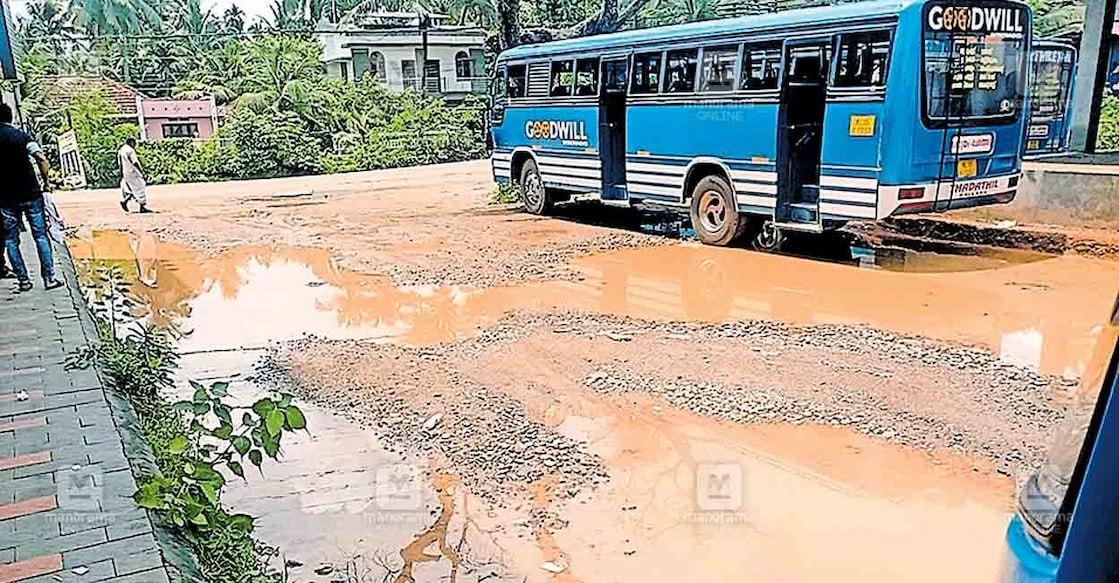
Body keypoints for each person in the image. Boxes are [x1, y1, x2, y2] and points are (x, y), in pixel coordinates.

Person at [0, 103, 62, 292]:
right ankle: (49, 278)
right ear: (10, 117)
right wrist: (47, 183)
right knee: (40, 236)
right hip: (30, 193)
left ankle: (24, 281)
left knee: (11, 240)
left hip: (4, 198)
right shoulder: (21, 136)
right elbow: (41, 159)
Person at [118, 137, 151, 213]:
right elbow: (135, 162)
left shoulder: (122, 150)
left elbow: (120, 163)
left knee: (129, 188)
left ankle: (125, 201)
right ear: (131, 143)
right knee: (140, 187)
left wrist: (121, 172)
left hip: (125, 172)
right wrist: (141, 171)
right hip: (133, 172)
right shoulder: (130, 150)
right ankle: (142, 206)